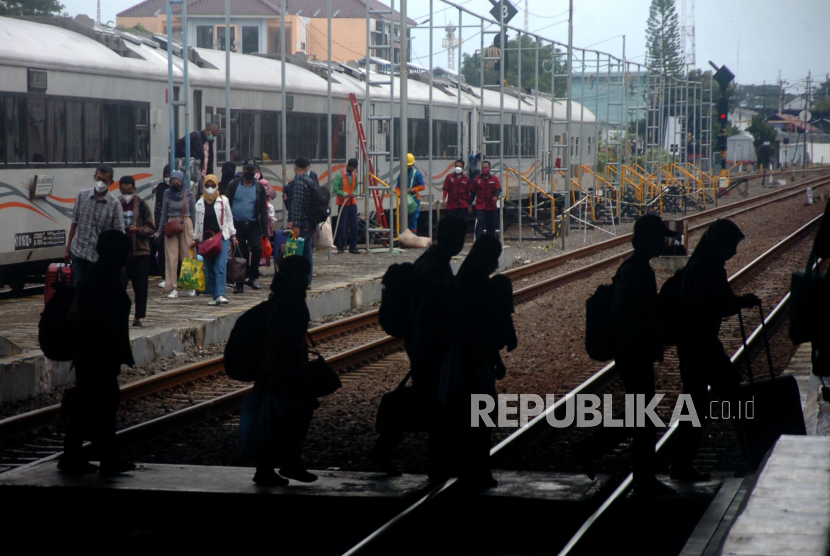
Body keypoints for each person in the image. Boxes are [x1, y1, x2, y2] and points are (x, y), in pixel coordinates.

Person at [573, 214, 677, 496]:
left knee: (639, 415)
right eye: (658, 236)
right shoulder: (638, 271)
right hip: (635, 351)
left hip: (633, 350)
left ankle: (594, 451)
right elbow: (623, 311)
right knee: (643, 417)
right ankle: (640, 477)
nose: (663, 241)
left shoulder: (636, 268)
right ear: (647, 239)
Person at [369, 216, 468, 478]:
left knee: (430, 400)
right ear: (453, 238)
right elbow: (432, 313)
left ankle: (387, 449)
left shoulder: (429, 260)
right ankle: (436, 461)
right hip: (429, 346)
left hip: (421, 343)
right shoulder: (436, 266)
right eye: (460, 236)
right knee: (438, 403)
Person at [671, 219, 759, 481]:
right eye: (731, 245)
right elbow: (718, 304)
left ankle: (681, 463)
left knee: (695, 405)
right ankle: (753, 455)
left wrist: (738, 302)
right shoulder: (710, 269)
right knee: (736, 395)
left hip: (691, 345)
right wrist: (742, 302)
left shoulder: (697, 265)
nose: (733, 251)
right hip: (703, 346)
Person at [231, 256, 319, 486]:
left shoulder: (278, 296)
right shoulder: (295, 300)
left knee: (273, 416)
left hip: (268, 370)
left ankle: (271, 466)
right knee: (288, 416)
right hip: (282, 371)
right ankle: (283, 464)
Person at [440, 234, 517, 489]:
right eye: (494, 258)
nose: (495, 263)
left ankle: (467, 466)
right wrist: (494, 356)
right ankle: (479, 470)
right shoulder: (482, 284)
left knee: (466, 417)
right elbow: (485, 326)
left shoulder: (465, 278)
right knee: (481, 419)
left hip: (464, 360)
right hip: (474, 363)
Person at [58, 230, 136, 475]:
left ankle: (79, 454)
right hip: (97, 354)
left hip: (93, 354)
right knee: (100, 401)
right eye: (124, 253)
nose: (127, 258)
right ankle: (99, 456)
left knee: (93, 401)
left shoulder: (99, 274)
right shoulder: (103, 278)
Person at [64, 164, 125, 286]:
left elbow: (119, 234)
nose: (100, 183)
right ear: (94, 177)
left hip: (98, 258)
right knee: (78, 290)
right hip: (79, 253)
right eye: (98, 179)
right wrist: (68, 249)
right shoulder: (82, 196)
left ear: (111, 182)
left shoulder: (115, 204)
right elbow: (74, 223)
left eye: (104, 180)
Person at [192, 174, 237, 306]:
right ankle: (214, 295)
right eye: (207, 185)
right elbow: (197, 223)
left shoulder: (223, 201)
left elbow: (229, 218)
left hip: (222, 237)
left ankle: (221, 294)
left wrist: (233, 235)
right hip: (206, 240)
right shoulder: (199, 203)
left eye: (213, 185)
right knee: (210, 268)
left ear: (217, 186)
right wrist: (195, 238)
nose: (210, 188)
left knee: (220, 266)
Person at [226, 159, 269, 293]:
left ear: (256, 171)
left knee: (256, 249)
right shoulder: (234, 185)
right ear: (243, 169)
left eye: (252, 170)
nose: (249, 172)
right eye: (247, 169)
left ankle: (252, 277)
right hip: (236, 224)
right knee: (240, 252)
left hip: (253, 224)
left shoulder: (259, 188)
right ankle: (239, 282)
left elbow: (263, 209)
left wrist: (265, 230)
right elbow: (226, 204)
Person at [118, 176, 156, 327]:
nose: (126, 194)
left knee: (140, 287)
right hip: (121, 254)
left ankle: (138, 317)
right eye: (123, 191)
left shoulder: (142, 204)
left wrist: (138, 230)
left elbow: (151, 228)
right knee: (119, 286)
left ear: (134, 189)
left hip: (140, 252)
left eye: (129, 191)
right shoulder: (115, 204)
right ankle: (120, 315)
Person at [156, 170, 197, 299]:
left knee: (188, 256)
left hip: (186, 223)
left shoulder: (189, 194)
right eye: (173, 183)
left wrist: (195, 232)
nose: (175, 185)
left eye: (177, 183)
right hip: (171, 224)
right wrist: (159, 231)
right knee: (171, 257)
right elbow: (164, 213)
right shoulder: (166, 193)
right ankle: (173, 287)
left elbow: (194, 213)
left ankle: (190, 285)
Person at [285, 157, 317, 288]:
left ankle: (296, 280)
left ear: (295, 166)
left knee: (295, 252)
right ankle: (307, 281)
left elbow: (297, 205)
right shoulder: (310, 181)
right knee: (307, 252)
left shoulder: (299, 182)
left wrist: (296, 225)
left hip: (302, 224)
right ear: (307, 167)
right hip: (310, 222)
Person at [333, 158, 361, 254]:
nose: (353, 170)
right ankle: (340, 247)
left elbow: (356, 186)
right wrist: (346, 194)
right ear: (348, 166)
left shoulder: (354, 175)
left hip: (352, 203)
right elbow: (335, 189)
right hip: (343, 204)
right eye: (352, 168)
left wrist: (354, 193)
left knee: (354, 226)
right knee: (342, 226)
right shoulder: (340, 175)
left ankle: (353, 247)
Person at [395, 153, 427, 234]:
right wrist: (399, 193)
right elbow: (397, 187)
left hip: (414, 200)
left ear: (412, 164)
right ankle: (401, 237)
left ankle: (412, 237)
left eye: (409, 165)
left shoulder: (417, 174)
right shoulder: (401, 175)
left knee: (413, 220)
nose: (408, 167)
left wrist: (412, 190)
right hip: (404, 199)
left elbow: (422, 186)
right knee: (401, 220)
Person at [470, 160, 502, 239]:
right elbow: (473, 192)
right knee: (480, 222)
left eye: (486, 167)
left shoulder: (494, 179)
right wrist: (469, 203)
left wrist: (496, 196)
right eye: (483, 168)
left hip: (491, 207)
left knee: (491, 226)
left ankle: (490, 243)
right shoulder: (477, 179)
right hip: (480, 206)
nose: (484, 169)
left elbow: (498, 188)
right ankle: (479, 242)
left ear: (490, 168)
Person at [152, 165, 171, 287]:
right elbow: (157, 209)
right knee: (162, 250)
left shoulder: (180, 190)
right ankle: (165, 276)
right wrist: (157, 226)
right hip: (162, 224)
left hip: (175, 224)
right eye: (166, 176)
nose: (168, 179)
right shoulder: (160, 189)